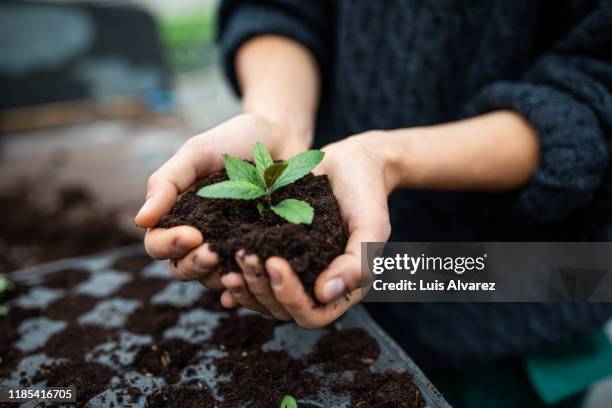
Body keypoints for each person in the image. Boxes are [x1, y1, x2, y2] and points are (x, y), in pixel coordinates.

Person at [135, 1, 612, 406]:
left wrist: (388, 158)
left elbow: (596, 89)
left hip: (519, 278)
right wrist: (275, 119)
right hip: (344, 236)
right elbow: (277, 8)